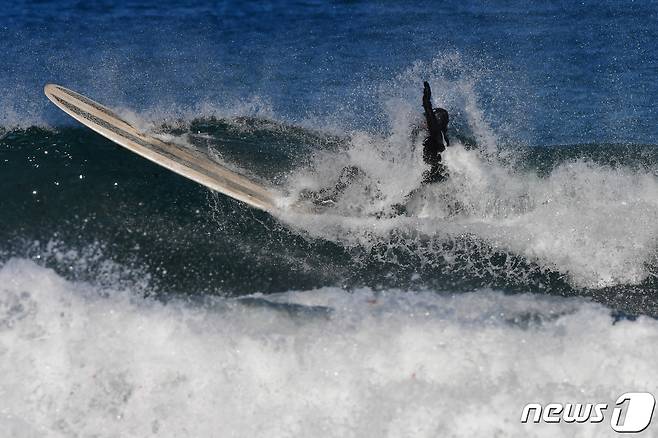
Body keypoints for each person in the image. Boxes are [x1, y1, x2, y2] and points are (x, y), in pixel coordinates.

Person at [300, 81, 450, 208]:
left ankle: (331, 200)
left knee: (353, 171)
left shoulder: (438, 139)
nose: (423, 120)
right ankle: (335, 198)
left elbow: (433, 127)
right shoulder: (430, 139)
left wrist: (427, 104)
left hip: (413, 184)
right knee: (355, 171)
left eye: (427, 119)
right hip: (408, 178)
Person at [421, 81, 450, 183]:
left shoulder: (435, 132)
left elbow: (430, 116)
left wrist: (426, 100)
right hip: (438, 174)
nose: (425, 121)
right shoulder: (442, 136)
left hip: (432, 176)